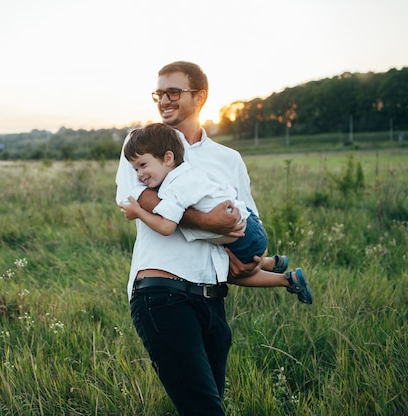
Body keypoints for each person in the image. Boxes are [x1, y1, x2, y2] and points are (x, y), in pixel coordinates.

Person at [115, 61, 310, 415]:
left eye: (173, 92)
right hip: (162, 292)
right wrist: (209, 221)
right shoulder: (143, 144)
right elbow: (139, 200)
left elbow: (247, 219)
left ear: (200, 96)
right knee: (205, 408)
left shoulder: (228, 158)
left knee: (209, 401)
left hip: (212, 297)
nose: (164, 100)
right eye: (159, 93)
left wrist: (245, 254)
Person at [119, 122, 312, 301]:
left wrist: (138, 212)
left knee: (223, 272)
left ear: (168, 158)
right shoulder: (191, 172)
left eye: (143, 165)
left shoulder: (175, 187)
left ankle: (288, 280)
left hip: (244, 236)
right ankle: (272, 263)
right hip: (248, 223)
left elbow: (167, 226)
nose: (139, 175)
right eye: (135, 169)